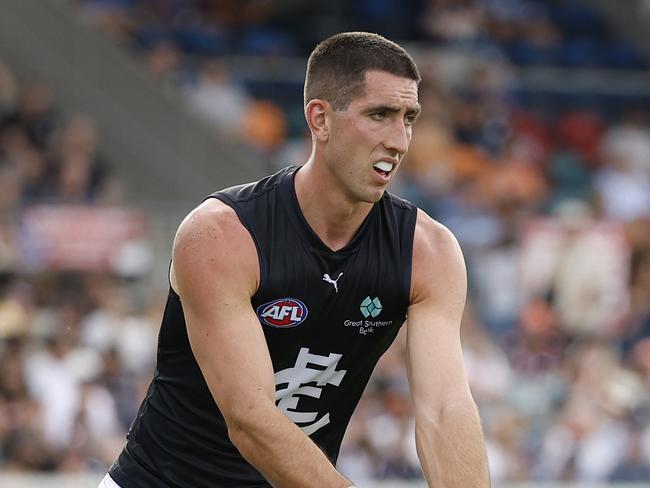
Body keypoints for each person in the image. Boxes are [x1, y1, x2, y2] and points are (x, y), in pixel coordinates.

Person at [101, 31, 490, 487]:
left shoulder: (429, 252)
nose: (400, 141)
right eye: (379, 115)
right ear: (320, 120)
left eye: (408, 118)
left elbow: (445, 409)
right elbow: (250, 419)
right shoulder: (221, 235)